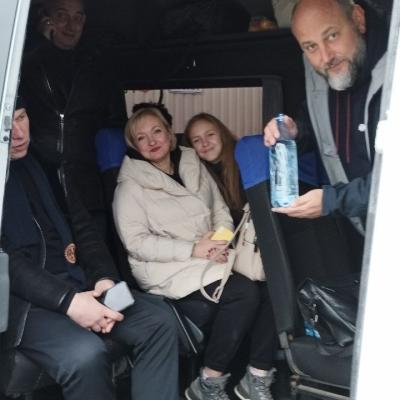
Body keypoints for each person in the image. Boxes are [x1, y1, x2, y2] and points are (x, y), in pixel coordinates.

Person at [1, 100, 180, 400]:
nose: (17, 133)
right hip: (27, 305)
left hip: (82, 285)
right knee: (86, 355)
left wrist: (104, 278)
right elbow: (9, 263)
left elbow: (84, 230)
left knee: (158, 320)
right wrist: (69, 303)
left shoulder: (48, 164)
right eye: (7, 124)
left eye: (21, 117)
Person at [113, 106, 278, 400]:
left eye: (157, 131)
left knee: (269, 289)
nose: (151, 141)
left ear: (169, 134)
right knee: (243, 294)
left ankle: (257, 376)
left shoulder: (191, 162)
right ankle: (208, 383)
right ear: (135, 146)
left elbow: (219, 210)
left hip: (210, 256)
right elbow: (136, 243)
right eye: (141, 137)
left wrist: (220, 242)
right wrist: (194, 249)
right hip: (168, 268)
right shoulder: (130, 186)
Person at [263, 0, 388, 237]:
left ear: (358, 18)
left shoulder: (394, 72)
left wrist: (332, 201)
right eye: (311, 46)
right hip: (369, 234)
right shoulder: (321, 75)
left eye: (332, 35)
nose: (326, 56)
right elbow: (318, 123)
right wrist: (295, 132)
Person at [20, 0, 127, 236]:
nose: (71, 25)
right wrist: (43, 43)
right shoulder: (28, 63)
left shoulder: (97, 68)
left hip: (88, 182)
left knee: (94, 245)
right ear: (45, 19)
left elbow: (115, 123)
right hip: (43, 179)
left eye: (78, 17)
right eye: (62, 16)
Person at [184, 112, 247, 226]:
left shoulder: (244, 158)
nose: (205, 143)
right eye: (196, 140)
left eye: (210, 134)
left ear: (222, 135)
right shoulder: (197, 175)